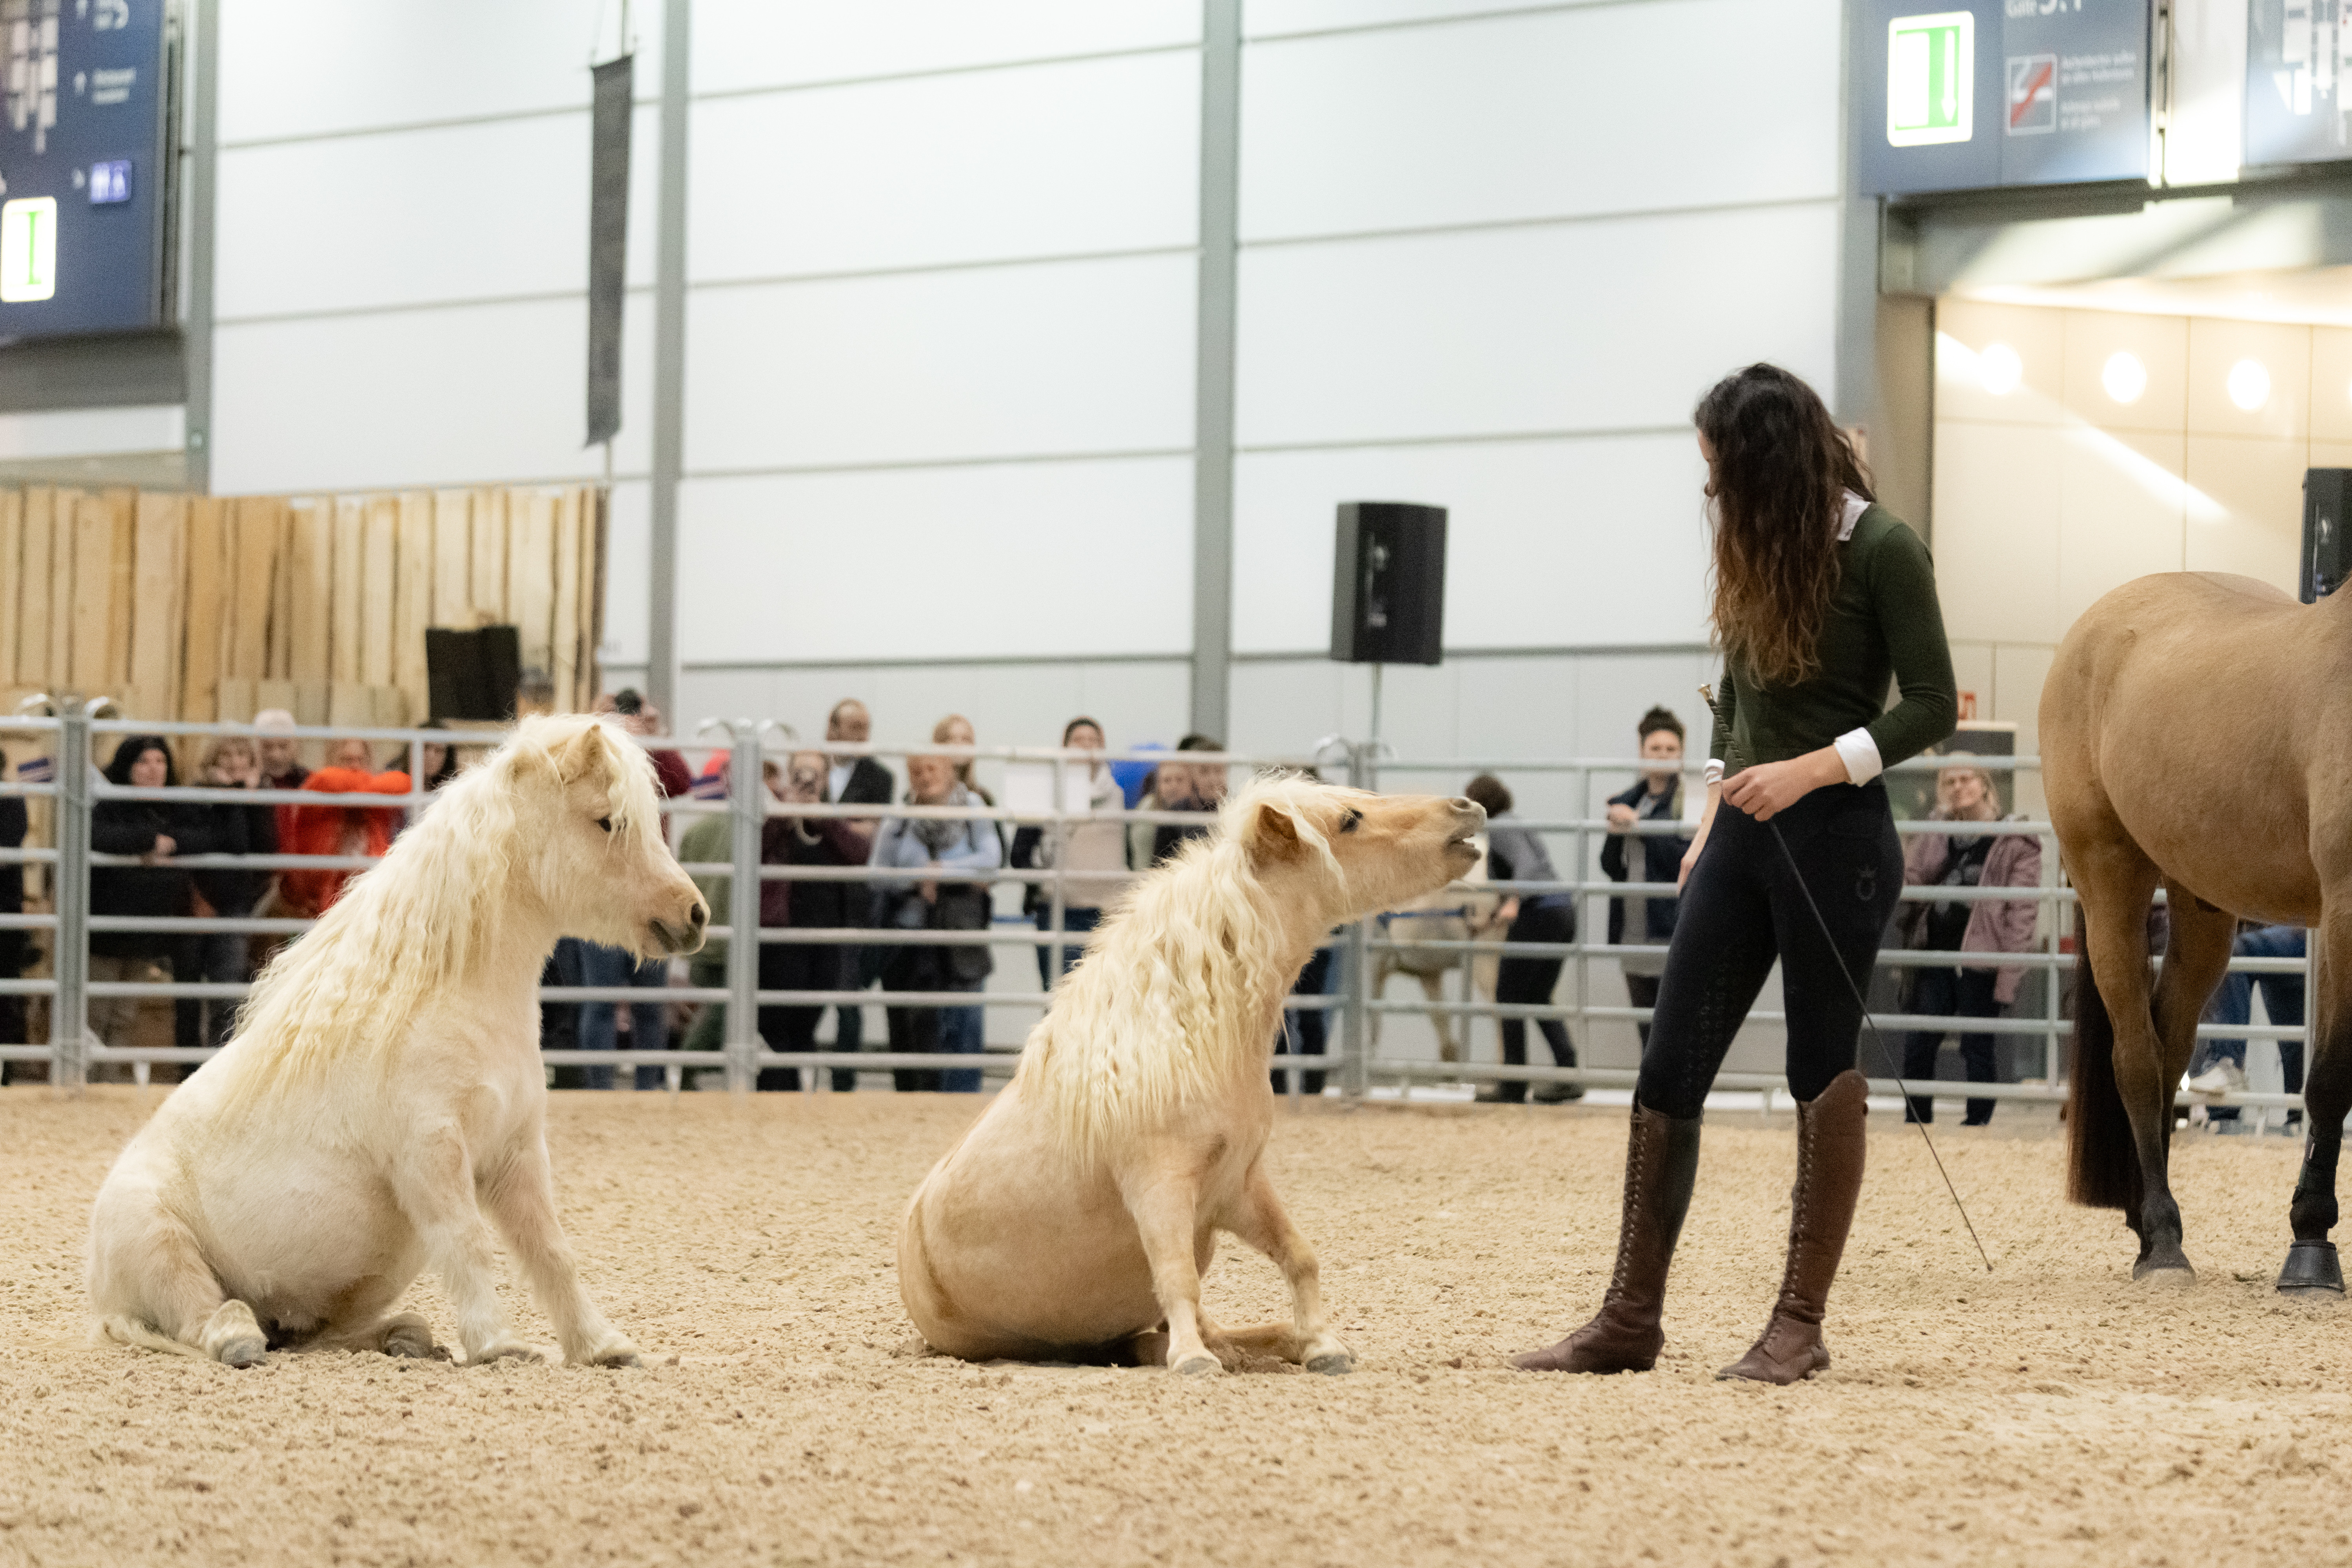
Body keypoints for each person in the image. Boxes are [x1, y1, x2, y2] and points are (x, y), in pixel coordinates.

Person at [1512, 363, 1957, 1385]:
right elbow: (1737, 695)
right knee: (1669, 1070)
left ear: (1765, 463)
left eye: (1719, 471)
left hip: (1837, 841)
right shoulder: (1759, 542)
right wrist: (1713, 806)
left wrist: (1807, 771)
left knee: (1820, 1069)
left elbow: (1931, 703)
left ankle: (1799, 1323)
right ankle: (1630, 1316)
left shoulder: (1885, 549)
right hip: (1744, 839)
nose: (1710, 492)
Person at [1896, 760, 2041, 1126]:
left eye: (1966, 779)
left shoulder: (2014, 839)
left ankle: (1977, 1127)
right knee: (1920, 1043)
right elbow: (1914, 880)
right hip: (1935, 953)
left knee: (1976, 1047)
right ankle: (1916, 1124)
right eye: (1949, 782)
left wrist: (2008, 974)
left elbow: (2021, 914)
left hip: (1982, 958)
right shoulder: (1938, 829)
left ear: (1985, 784)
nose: (1958, 787)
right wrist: (1935, 827)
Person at [89, 736, 235, 1080]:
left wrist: (169, 843)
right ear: (127, 767)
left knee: (124, 1015)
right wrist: (149, 841)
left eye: (160, 761)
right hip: (107, 928)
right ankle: (89, 1082)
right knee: (96, 1013)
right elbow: (96, 836)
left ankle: (107, 1084)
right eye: (143, 762)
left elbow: (209, 838)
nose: (154, 769)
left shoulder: (175, 805)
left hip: (146, 930)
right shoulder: (109, 803)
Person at [570, 703, 692, 1089]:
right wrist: (591, 732)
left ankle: (648, 1088)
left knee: (650, 1004)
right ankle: (600, 1089)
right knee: (601, 999)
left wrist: (657, 740)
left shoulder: (650, 768)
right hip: (601, 897)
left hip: (650, 894)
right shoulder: (591, 767)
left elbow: (682, 781)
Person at [869, 753, 1002, 1092]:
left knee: (962, 1025)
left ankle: (962, 1102)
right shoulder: (900, 815)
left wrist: (941, 872)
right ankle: (914, 1101)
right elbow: (876, 874)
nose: (925, 776)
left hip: (960, 933)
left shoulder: (972, 806)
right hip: (910, 936)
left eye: (932, 769)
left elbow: (992, 860)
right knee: (911, 1027)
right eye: (916, 770)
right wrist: (914, 880)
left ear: (950, 770)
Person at [760, 751, 876, 1090]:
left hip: (824, 941)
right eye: (799, 774)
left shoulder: (832, 821)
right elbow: (753, 852)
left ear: (825, 781)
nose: (807, 782)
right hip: (780, 941)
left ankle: (799, 1099)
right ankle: (777, 1097)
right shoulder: (775, 819)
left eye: (814, 776)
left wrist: (821, 817)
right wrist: (786, 815)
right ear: (788, 777)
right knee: (777, 1026)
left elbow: (859, 854)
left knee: (806, 1025)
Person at [1464, 774, 1581, 1105]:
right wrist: (1490, 919)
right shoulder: (1515, 822)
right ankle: (1568, 1072)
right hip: (1561, 912)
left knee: (1508, 995)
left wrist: (1516, 898)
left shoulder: (1499, 828)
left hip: (1540, 913)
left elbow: (1526, 868)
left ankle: (1514, 1083)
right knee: (1538, 995)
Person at [1008, 717, 1131, 985]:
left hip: (1110, 919)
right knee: (1063, 1003)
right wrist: (1046, 883)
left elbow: (1131, 852)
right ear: (1064, 748)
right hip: (1060, 914)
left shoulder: (1120, 796)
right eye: (1079, 741)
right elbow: (1019, 854)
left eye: (1094, 741)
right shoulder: (1045, 793)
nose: (1087, 747)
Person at [1601, 708, 1693, 1049]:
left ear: (1682, 756)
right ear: (1642, 753)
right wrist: (1615, 830)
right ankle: (1651, 1097)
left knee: (1675, 1027)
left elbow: (1683, 861)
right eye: (1656, 749)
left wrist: (1640, 827)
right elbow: (1610, 866)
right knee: (1645, 1025)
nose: (1663, 756)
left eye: (1671, 750)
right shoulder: (1628, 800)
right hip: (1633, 926)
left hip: (1672, 925)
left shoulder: (1690, 801)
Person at [182, 734, 279, 1053]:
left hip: (236, 904)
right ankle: (186, 1067)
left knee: (227, 993)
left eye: (242, 755)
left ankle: (216, 1061)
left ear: (253, 762)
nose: (236, 762)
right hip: (194, 900)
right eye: (226, 755)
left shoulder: (261, 796)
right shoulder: (197, 794)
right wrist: (236, 796)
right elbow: (207, 843)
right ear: (212, 760)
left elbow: (261, 848)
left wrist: (240, 797)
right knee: (189, 990)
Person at [824, 699, 894, 1083]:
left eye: (866, 727)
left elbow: (869, 838)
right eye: (854, 727)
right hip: (811, 899)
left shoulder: (879, 777)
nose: (862, 735)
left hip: (854, 900)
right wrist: (847, 827)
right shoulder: (811, 766)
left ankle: (844, 1083)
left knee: (848, 997)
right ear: (832, 728)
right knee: (802, 993)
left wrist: (823, 825)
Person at [2187, 923, 2306, 1126]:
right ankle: (2223, 1118)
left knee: (2236, 953)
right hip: (2274, 932)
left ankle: (2227, 1066)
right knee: (2296, 1054)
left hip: (2304, 928)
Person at [1139, 734, 1228, 869]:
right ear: (1191, 775)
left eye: (1218, 771)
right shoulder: (1173, 818)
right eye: (1204, 772)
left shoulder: (1236, 811)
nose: (1213, 780)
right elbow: (1158, 871)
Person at [0, 742, 25, 1074]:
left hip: (4, 913)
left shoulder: (10, 800)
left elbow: (6, 849)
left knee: (4, 994)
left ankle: (4, 1073)